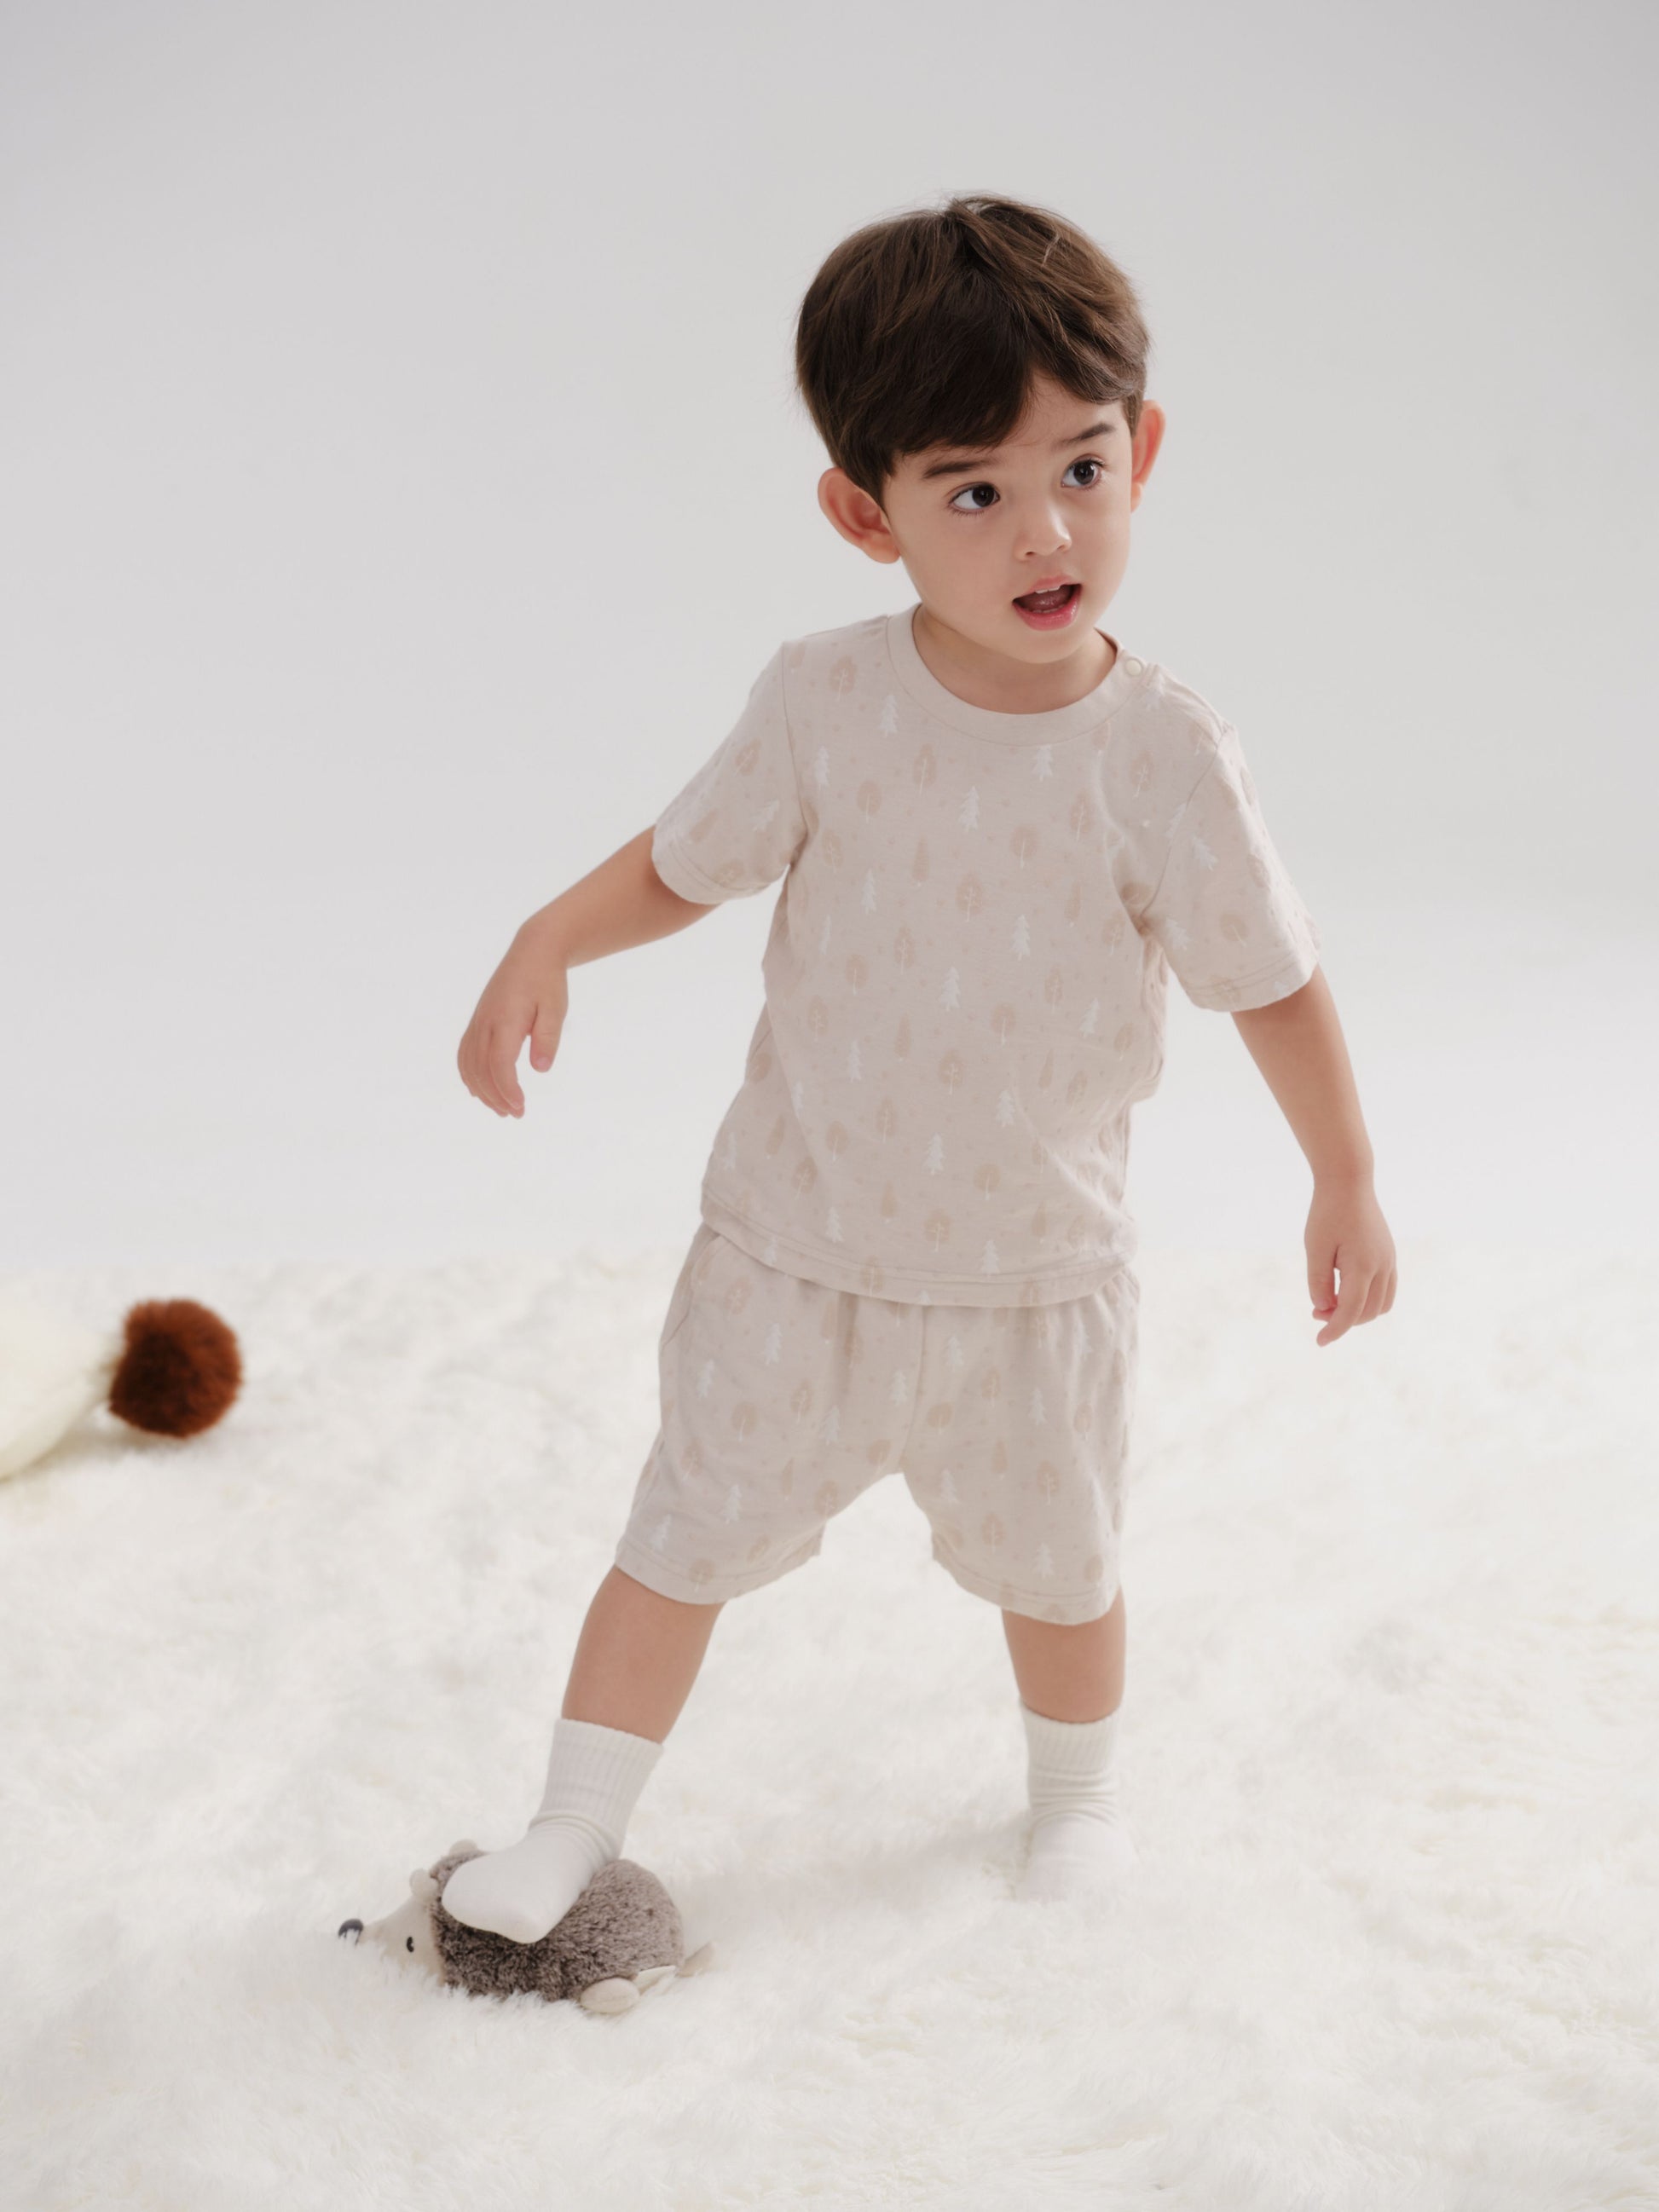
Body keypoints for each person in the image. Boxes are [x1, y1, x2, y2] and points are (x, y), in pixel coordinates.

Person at [438, 192, 1397, 1926]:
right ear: (861, 513)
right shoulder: (824, 701)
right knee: (677, 1537)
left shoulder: (1164, 753)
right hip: (792, 1254)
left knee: (1062, 1570)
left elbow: (1269, 977)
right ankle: (571, 1821)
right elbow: (688, 859)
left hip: (1034, 1279)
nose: (1044, 532)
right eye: (972, 492)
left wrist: (1343, 1171)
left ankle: (1074, 1808)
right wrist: (548, 934)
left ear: (1141, 451)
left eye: (1080, 469)